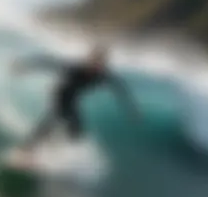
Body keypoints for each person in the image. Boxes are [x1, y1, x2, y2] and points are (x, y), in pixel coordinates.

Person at [11, 45, 140, 150]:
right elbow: (49, 62)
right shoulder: (76, 69)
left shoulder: (103, 76)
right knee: (54, 118)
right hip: (60, 94)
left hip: (72, 99)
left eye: (100, 63)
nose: (96, 65)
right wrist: (25, 66)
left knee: (76, 129)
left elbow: (120, 89)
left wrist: (131, 109)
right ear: (89, 59)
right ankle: (27, 149)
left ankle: (55, 147)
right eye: (94, 61)